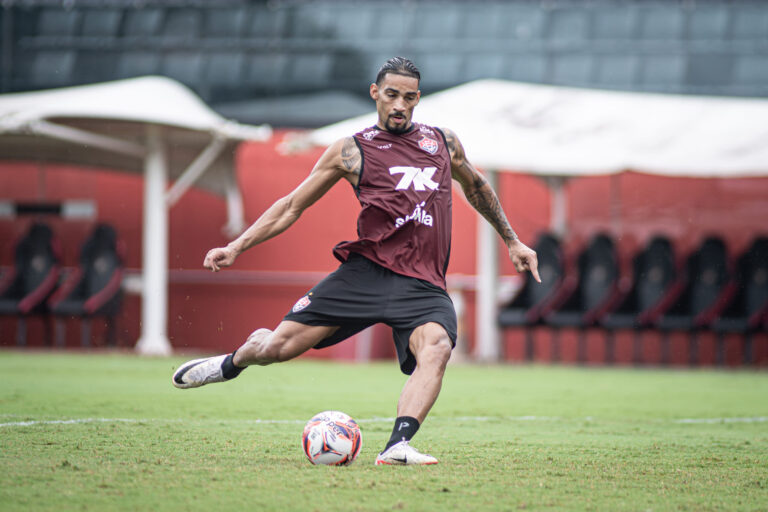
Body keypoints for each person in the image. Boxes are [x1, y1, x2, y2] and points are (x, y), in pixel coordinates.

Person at [172, 57, 540, 465]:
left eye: (409, 98)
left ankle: (397, 445)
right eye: (392, 95)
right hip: (366, 274)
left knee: (436, 348)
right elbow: (292, 206)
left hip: (423, 284)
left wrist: (513, 241)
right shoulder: (351, 150)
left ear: (418, 98)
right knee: (278, 347)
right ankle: (231, 363)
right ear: (375, 93)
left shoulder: (443, 143)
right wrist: (237, 246)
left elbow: (478, 187)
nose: (400, 105)